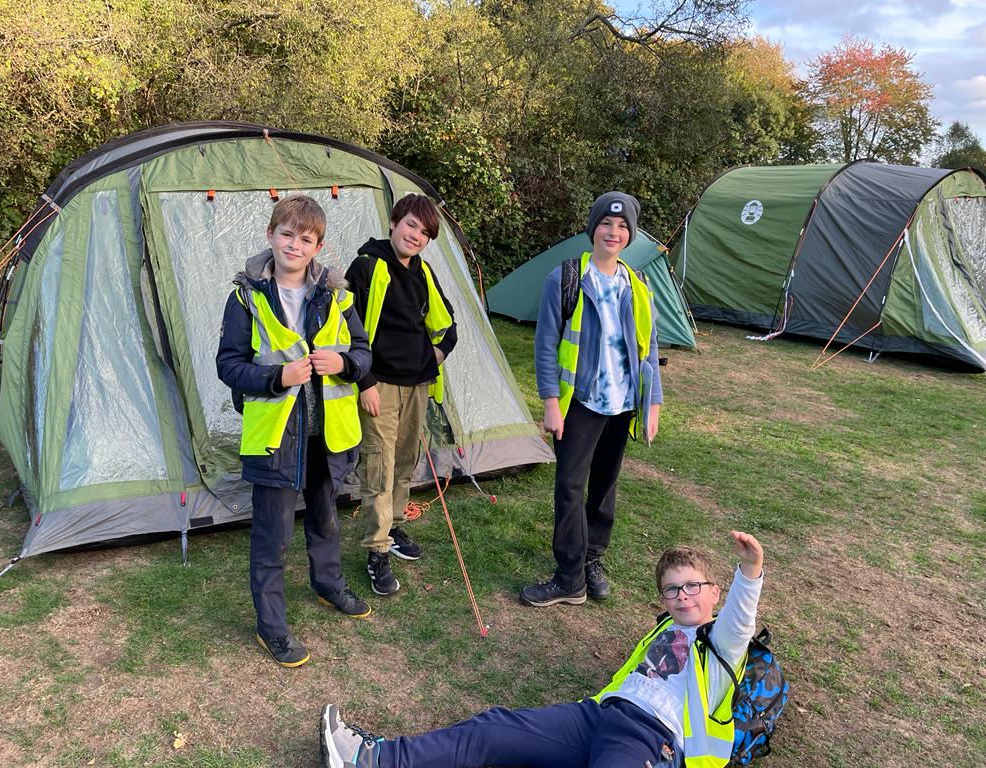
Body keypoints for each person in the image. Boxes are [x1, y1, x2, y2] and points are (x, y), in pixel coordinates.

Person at [320, 531, 765, 768]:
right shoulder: (663, 630)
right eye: (672, 590)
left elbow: (740, 623)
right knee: (494, 728)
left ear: (715, 593)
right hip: (597, 717)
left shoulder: (721, 644)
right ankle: (372, 759)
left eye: (693, 587)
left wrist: (750, 570)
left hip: (655, 740)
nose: (683, 596)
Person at [216, 195, 373, 667]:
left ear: (317, 245)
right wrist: (276, 378)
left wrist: (344, 363)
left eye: (305, 239)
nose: (294, 245)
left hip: (327, 436)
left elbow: (364, 356)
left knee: (326, 519)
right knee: (274, 535)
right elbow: (228, 366)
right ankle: (272, 626)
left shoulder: (337, 295)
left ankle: (328, 584)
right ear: (270, 235)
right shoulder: (246, 296)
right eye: (286, 234)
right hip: (274, 438)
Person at [521, 191, 664, 607]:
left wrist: (652, 403)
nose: (613, 232)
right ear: (593, 227)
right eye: (606, 223)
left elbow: (648, 348)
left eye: (622, 227)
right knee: (569, 486)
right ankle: (569, 576)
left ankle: (591, 560)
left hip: (622, 406)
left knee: (604, 487)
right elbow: (546, 345)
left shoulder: (637, 286)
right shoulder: (564, 278)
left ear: (630, 236)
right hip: (580, 403)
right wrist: (551, 402)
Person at [345, 194, 457, 596]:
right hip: (380, 384)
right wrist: (365, 381)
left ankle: (393, 525)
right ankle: (376, 550)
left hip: (418, 384)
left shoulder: (423, 272)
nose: (416, 236)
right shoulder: (366, 266)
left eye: (425, 233)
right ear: (394, 222)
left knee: (406, 459)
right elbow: (346, 331)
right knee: (379, 462)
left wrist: (434, 357)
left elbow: (448, 326)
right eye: (411, 225)